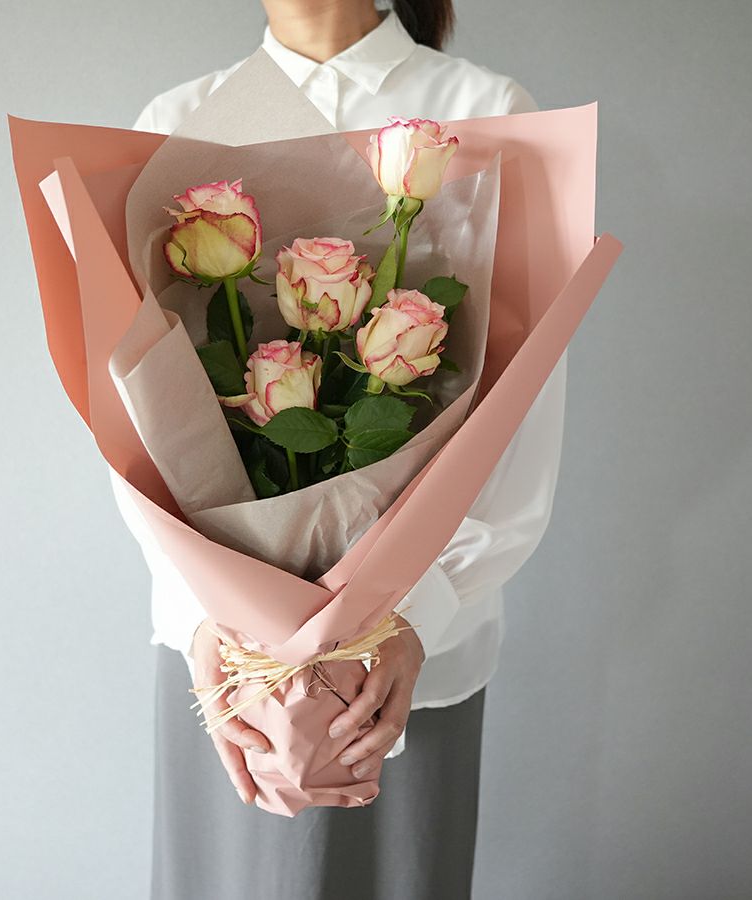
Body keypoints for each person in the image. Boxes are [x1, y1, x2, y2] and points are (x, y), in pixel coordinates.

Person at [113, 2, 568, 896]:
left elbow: (525, 400)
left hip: (403, 658)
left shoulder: (485, 111)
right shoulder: (177, 120)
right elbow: (134, 411)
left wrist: (414, 615)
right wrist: (205, 613)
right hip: (226, 657)